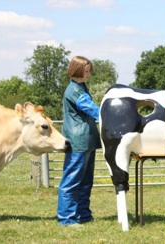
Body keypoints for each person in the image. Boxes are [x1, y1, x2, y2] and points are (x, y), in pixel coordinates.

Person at [57, 55, 101, 226]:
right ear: (78, 70)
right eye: (87, 71)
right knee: (72, 181)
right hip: (78, 141)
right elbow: (90, 108)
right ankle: (67, 218)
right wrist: (110, 115)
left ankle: (83, 214)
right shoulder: (74, 90)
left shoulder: (81, 86)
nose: (89, 74)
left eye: (89, 71)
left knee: (85, 181)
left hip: (87, 140)